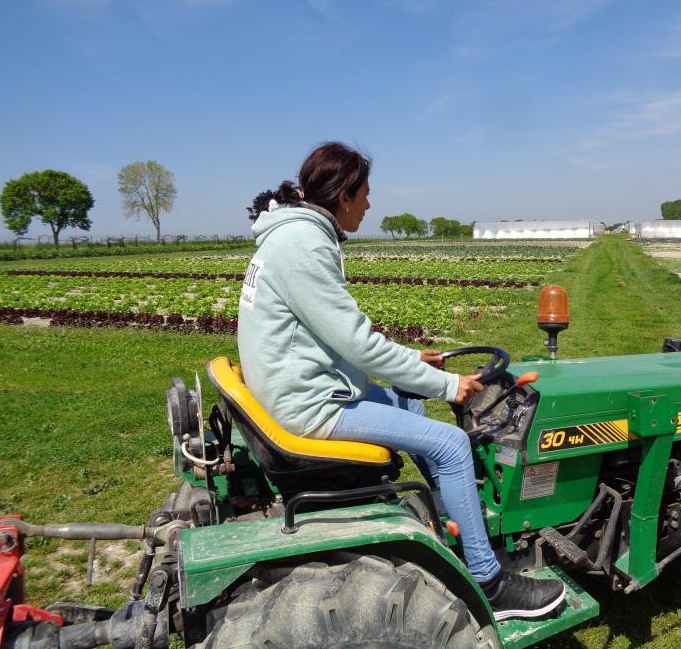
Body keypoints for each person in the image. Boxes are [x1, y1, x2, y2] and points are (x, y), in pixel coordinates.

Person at [237, 141, 564, 620]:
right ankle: (489, 580)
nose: (370, 205)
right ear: (343, 195)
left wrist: (413, 360)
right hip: (310, 403)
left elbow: (333, 333)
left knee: (407, 401)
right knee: (452, 444)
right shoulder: (303, 244)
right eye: (366, 194)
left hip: (304, 383)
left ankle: (456, 519)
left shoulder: (292, 235)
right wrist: (451, 386)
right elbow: (357, 343)